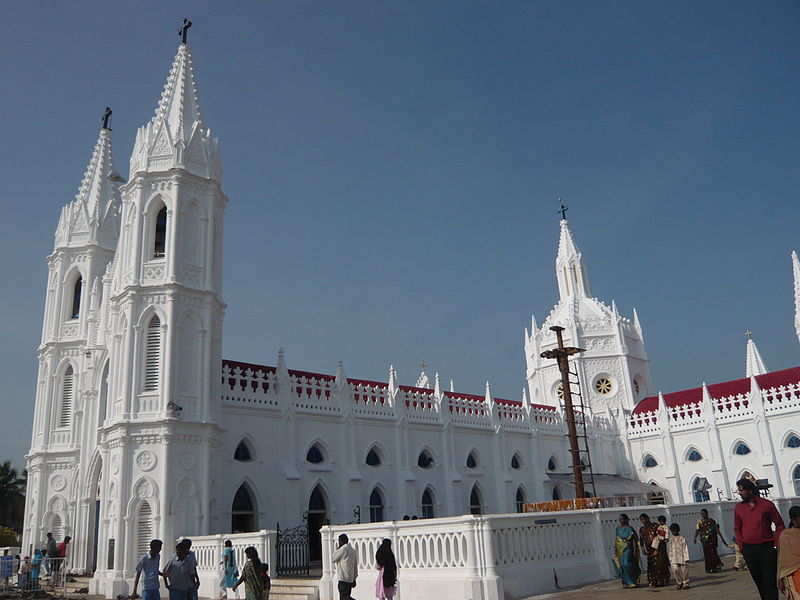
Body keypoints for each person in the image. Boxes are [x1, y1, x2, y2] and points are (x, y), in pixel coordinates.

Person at [733, 477, 785, 600]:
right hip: (749, 549)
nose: (739, 493)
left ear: (750, 491)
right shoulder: (739, 508)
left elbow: (779, 525)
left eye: (741, 490)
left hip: (767, 548)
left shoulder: (766, 505)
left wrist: (776, 544)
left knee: (769, 581)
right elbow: (737, 528)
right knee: (759, 581)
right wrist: (741, 546)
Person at [638, 514, 668, 587]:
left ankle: (661, 581)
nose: (643, 521)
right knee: (651, 566)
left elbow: (661, 537)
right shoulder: (642, 529)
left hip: (658, 549)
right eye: (641, 520)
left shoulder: (655, 526)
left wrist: (657, 549)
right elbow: (641, 540)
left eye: (644, 519)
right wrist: (643, 549)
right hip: (649, 550)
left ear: (648, 519)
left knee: (659, 565)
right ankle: (653, 581)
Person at [693, 507, 726, 573]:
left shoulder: (712, 521)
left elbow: (717, 530)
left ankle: (717, 565)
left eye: (704, 513)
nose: (703, 515)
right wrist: (695, 537)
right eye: (702, 513)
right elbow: (697, 530)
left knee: (714, 552)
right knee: (707, 554)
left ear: (707, 513)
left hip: (712, 540)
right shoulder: (699, 522)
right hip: (705, 541)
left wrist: (722, 538)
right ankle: (710, 568)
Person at [778, 506, 800, 599]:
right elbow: (782, 558)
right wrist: (780, 578)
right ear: (793, 519)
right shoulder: (785, 535)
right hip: (792, 572)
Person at [613, 513, 640, 589]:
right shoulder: (618, 528)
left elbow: (634, 540)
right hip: (619, 550)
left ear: (626, 520)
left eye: (622, 519)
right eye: (620, 519)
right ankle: (625, 582)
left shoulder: (630, 529)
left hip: (628, 549)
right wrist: (615, 548)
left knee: (627, 564)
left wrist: (635, 550)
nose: (621, 520)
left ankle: (632, 582)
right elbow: (617, 539)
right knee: (621, 566)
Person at [331, 533, 358, 600]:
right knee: (346, 595)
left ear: (342, 541)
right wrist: (354, 578)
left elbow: (333, 559)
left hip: (343, 578)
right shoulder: (353, 550)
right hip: (350, 579)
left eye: (339, 541)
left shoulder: (343, 549)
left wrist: (338, 549)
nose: (338, 542)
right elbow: (355, 566)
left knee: (344, 597)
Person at [649, 515, 671, 587]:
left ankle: (665, 578)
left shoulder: (666, 527)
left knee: (662, 559)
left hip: (662, 543)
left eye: (662, 521)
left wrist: (665, 539)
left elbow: (667, 536)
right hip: (656, 542)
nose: (661, 522)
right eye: (660, 521)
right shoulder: (658, 526)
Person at [667, 523, 690, 590]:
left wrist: (686, 558)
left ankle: (686, 582)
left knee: (684, 570)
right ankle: (679, 582)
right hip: (674, 557)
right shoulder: (671, 539)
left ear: (678, 530)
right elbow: (670, 549)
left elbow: (685, 548)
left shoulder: (682, 538)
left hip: (682, 557)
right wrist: (670, 558)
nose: (673, 532)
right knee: (675, 569)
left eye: (674, 531)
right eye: (672, 531)